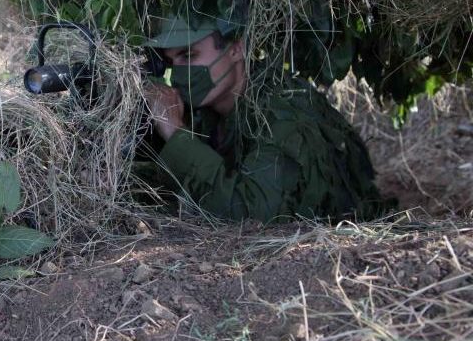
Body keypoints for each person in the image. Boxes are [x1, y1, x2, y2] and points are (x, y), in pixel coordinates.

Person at [141, 13, 386, 222]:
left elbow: (253, 214)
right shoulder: (207, 110)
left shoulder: (281, 112)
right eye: (171, 62)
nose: (179, 74)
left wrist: (175, 132)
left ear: (236, 48)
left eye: (189, 56)